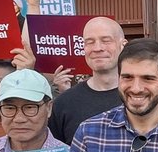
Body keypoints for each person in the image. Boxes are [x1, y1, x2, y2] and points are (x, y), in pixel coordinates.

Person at [49, 16, 127, 144]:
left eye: (106, 41)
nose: (97, 48)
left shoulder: (149, 96)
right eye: (90, 42)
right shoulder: (64, 104)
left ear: (123, 45)